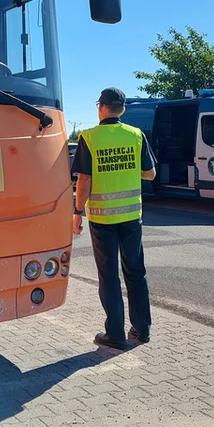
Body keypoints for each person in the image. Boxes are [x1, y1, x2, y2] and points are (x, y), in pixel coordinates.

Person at [72, 87, 157, 350]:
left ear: (101, 107)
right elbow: (150, 174)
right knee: (135, 272)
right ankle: (142, 330)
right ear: (123, 109)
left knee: (109, 277)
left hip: (103, 220)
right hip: (132, 217)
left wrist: (77, 212)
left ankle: (115, 335)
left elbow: (84, 180)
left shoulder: (89, 137)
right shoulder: (136, 135)